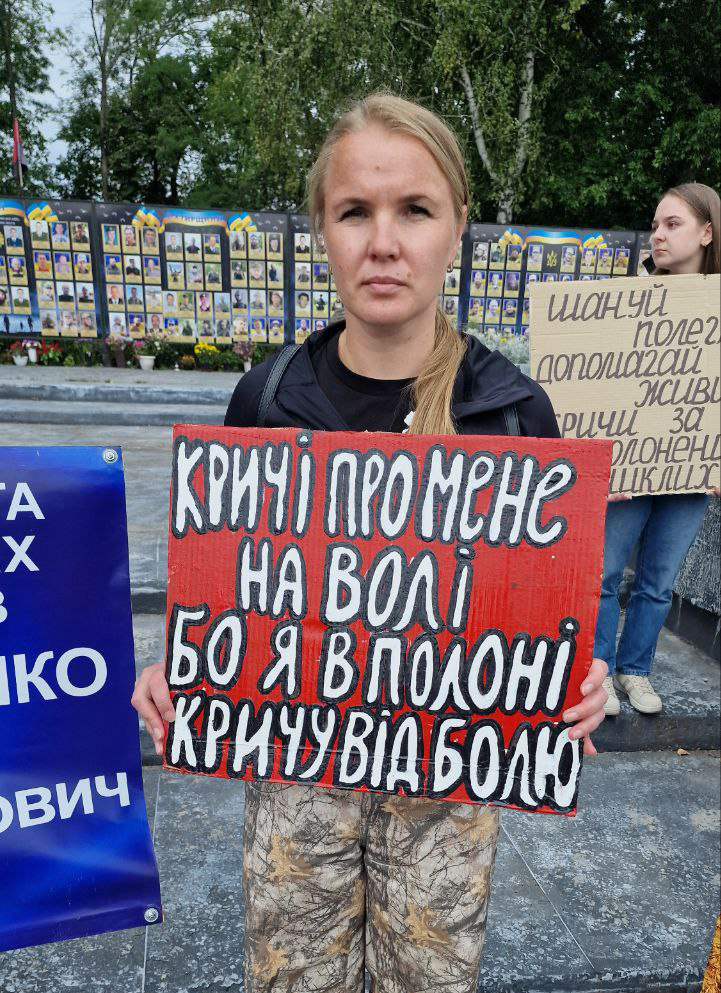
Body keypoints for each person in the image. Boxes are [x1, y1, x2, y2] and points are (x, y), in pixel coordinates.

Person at [131, 92, 608, 993]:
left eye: (414, 210)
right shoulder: (265, 400)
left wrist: (577, 680)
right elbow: (234, 592)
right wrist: (182, 668)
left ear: (457, 226)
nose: (382, 242)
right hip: (296, 782)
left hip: (446, 796)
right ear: (322, 228)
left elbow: (544, 615)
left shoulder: (513, 415)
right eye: (355, 211)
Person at [596, 182, 720, 716]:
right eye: (655, 225)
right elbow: (600, 384)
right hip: (630, 465)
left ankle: (635, 670)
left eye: (672, 224)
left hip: (692, 469)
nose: (658, 235)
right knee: (605, 573)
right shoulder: (630, 300)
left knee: (659, 582)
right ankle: (599, 672)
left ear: (707, 232)